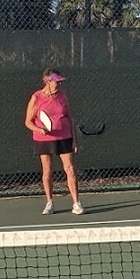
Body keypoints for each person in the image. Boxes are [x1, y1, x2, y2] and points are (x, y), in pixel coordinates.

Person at [25, 68, 84, 215]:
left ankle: (76, 203)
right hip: (43, 140)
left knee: (70, 169)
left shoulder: (63, 96)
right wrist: (40, 130)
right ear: (47, 80)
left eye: (60, 81)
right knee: (47, 171)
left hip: (65, 138)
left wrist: (74, 141)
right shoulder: (36, 98)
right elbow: (28, 122)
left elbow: (70, 118)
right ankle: (49, 203)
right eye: (55, 81)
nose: (58, 84)